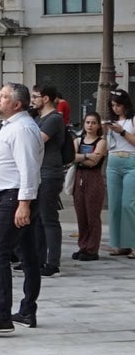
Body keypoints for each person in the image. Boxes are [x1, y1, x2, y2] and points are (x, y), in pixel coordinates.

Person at [0, 82, 43, 333]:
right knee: (28, 254)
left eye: (3, 97)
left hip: (16, 197)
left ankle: (2, 314)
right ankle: (26, 310)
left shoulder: (22, 128)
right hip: (9, 198)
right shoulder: (13, 126)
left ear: (17, 104)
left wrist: (22, 204)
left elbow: (28, 169)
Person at [31, 83, 67, 277]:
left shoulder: (53, 119)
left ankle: (53, 263)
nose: (33, 100)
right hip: (38, 172)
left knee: (49, 219)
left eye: (35, 96)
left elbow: (37, 140)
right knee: (37, 219)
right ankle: (38, 259)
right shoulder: (38, 118)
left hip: (50, 173)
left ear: (45, 98)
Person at [70, 112, 107, 261]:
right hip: (79, 177)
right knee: (81, 214)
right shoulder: (78, 140)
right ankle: (83, 245)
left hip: (94, 178)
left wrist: (80, 158)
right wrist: (86, 156)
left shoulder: (101, 142)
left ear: (98, 125)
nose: (90, 125)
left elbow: (95, 161)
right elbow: (71, 157)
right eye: (87, 122)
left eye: (93, 123)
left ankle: (92, 249)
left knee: (92, 215)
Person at [104, 89, 135, 257]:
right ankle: (119, 243)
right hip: (113, 162)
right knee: (115, 205)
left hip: (131, 161)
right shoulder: (111, 122)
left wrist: (121, 131)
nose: (116, 109)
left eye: (119, 105)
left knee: (128, 204)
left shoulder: (132, 120)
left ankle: (132, 243)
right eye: (113, 105)